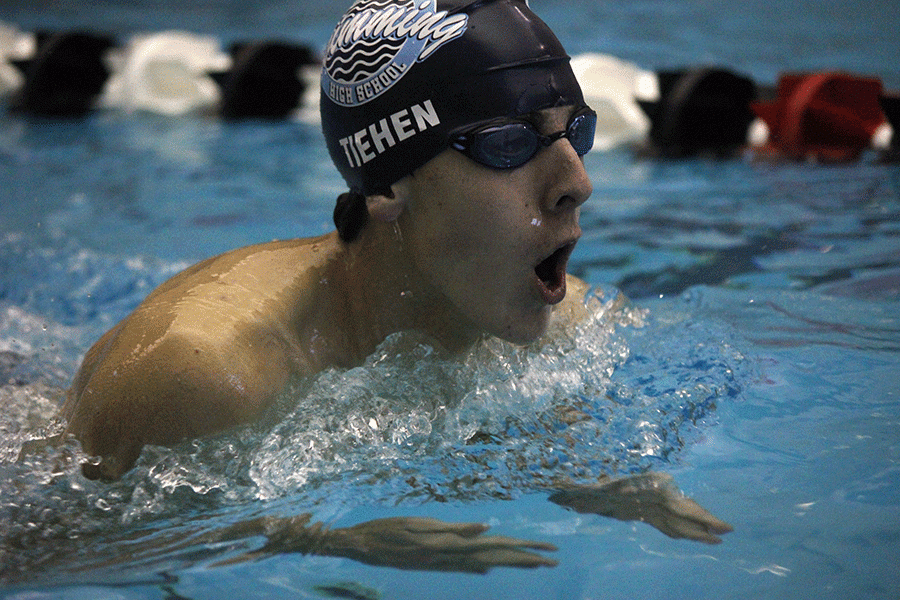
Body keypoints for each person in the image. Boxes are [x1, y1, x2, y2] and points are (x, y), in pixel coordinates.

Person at [58, 0, 731, 571]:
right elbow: (54, 550)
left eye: (574, 133)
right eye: (508, 143)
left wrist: (590, 478)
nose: (577, 183)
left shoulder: (561, 320)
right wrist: (314, 539)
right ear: (385, 183)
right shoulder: (201, 373)